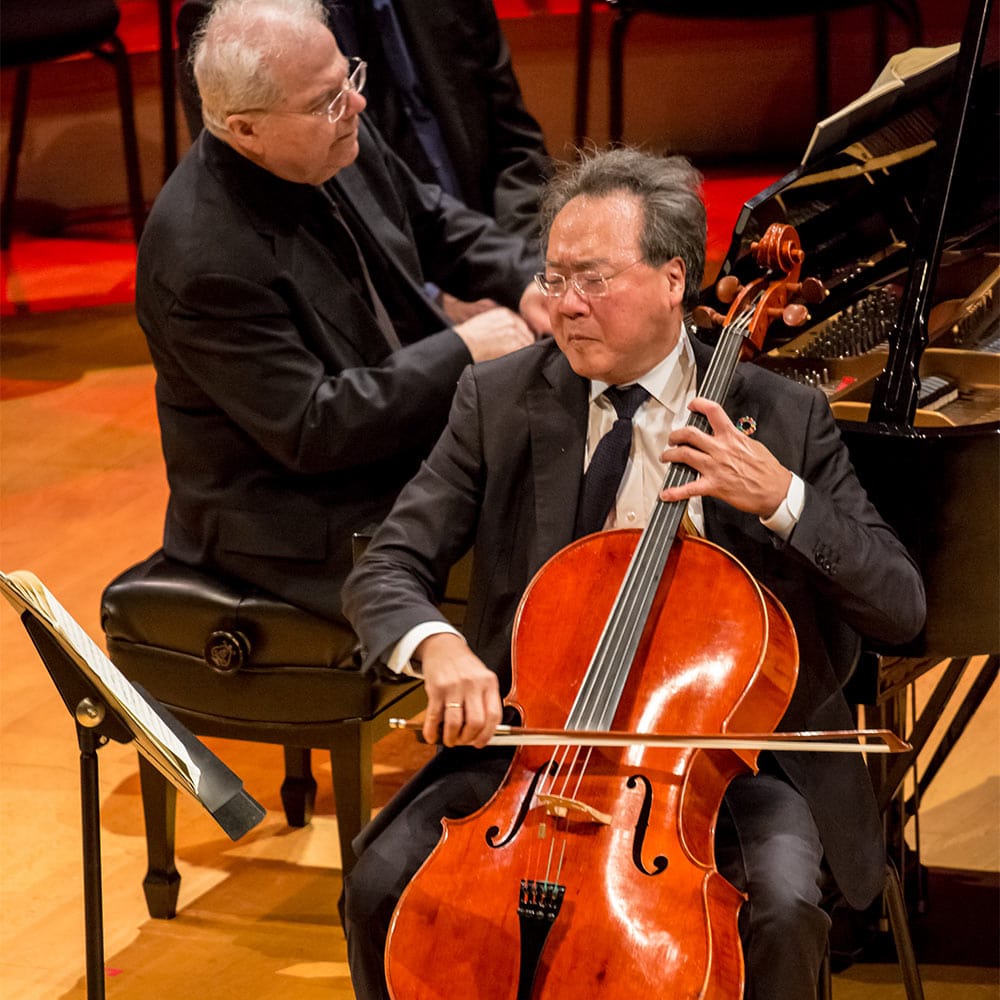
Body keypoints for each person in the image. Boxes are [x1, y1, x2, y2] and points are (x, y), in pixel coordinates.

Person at [340, 148, 927, 998]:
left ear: (672, 278)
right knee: (375, 891)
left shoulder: (783, 419)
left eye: (595, 278)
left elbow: (901, 609)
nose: (564, 305)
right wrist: (436, 648)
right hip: (533, 752)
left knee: (784, 913)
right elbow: (388, 565)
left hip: (733, 759)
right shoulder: (497, 400)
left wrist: (782, 499)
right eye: (553, 277)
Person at [136, 0, 547, 637]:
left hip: (384, 443)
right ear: (245, 130)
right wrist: (464, 348)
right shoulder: (201, 258)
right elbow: (313, 427)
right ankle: (500, 724)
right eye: (328, 98)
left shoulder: (330, 127)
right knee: (540, 517)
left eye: (348, 78)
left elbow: (433, 220)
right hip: (294, 517)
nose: (355, 104)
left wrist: (528, 280)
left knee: (571, 450)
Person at [175, 0, 551, 244]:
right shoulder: (229, 21)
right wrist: (434, 298)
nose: (353, 101)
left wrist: (523, 266)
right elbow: (275, 216)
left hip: (484, 245)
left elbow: (515, 143)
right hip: (381, 302)